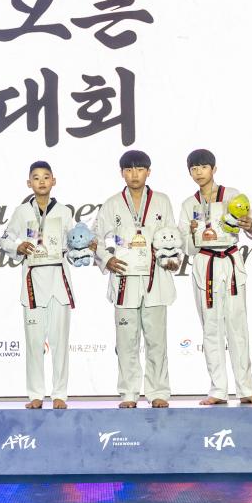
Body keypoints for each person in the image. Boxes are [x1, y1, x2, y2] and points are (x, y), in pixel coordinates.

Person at [178, 149, 252, 405]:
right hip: (205, 263)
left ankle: (246, 388)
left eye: (203, 167)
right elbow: (186, 247)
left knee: (238, 325)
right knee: (211, 327)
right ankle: (217, 389)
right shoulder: (188, 204)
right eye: (194, 169)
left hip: (230, 260)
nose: (198, 172)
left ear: (214, 169)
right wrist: (191, 233)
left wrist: (249, 225)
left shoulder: (231, 195)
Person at [92, 150, 180, 409]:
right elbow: (95, 237)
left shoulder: (162, 201)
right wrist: (106, 259)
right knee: (126, 341)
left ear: (148, 172)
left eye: (140, 169)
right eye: (129, 170)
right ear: (122, 173)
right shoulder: (112, 203)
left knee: (157, 340)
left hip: (155, 277)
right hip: (125, 278)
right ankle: (128, 392)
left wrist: (172, 258)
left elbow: (172, 234)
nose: (134, 175)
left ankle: (158, 391)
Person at [0, 161, 78, 409]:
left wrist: (81, 249)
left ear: (54, 181)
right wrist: (18, 246)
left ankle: (60, 394)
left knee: (60, 343)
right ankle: (35, 394)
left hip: (58, 282)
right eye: (36, 177)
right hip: (32, 283)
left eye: (46, 177)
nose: (41, 181)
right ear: (29, 183)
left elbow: (74, 243)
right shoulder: (22, 212)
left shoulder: (64, 212)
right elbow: (5, 240)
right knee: (34, 344)